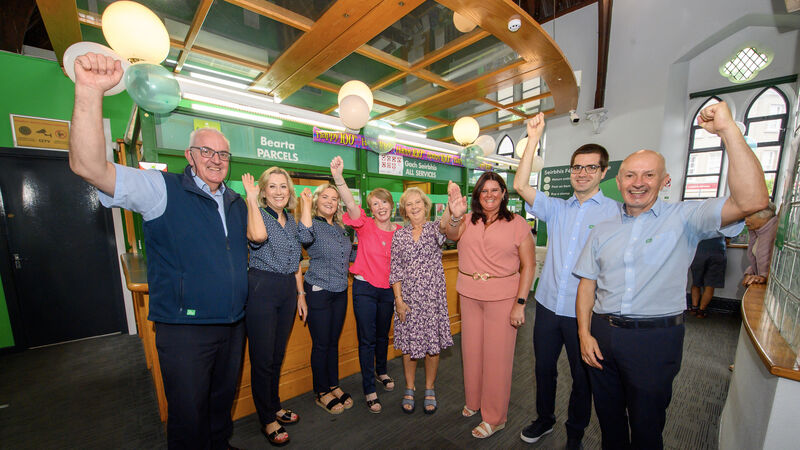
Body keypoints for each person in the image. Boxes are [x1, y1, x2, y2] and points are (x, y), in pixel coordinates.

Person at [68, 53, 248, 449]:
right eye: (206, 152)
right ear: (189, 156)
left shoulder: (235, 201)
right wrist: (89, 90)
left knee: (221, 406)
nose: (215, 160)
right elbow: (89, 166)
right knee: (188, 414)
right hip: (185, 330)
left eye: (223, 155)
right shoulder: (161, 190)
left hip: (233, 325)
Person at [574, 101, 768, 449]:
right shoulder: (601, 230)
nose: (638, 183)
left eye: (649, 175)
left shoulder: (685, 218)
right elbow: (587, 283)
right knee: (609, 423)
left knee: (648, 428)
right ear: (618, 181)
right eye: (630, 175)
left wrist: (728, 131)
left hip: (655, 340)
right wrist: (584, 334)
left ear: (665, 181)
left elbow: (753, 200)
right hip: (602, 335)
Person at [512, 113, 621, 449]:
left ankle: (575, 433)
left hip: (584, 313)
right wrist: (533, 138)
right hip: (547, 306)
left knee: (583, 378)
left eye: (590, 167)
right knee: (543, 369)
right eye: (577, 167)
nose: (582, 173)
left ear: (603, 172)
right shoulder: (558, 208)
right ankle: (545, 419)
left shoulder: (616, 213)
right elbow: (520, 185)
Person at [443, 173, 536, 439]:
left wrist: (520, 303)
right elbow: (449, 234)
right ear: (477, 195)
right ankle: (474, 402)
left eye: (495, 190)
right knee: (471, 353)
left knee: (497, 359)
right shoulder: (469, 219)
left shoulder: (518, 224)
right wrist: (454, 212)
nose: (489, 195)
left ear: (504, 193)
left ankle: (495, 417)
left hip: (503, 297)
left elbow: (528, 265)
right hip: (469, 294)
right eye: (484, 191)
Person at [241, 167, 307, 446]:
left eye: (283, 187)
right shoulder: (258, 214)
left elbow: (298, 258)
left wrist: (300, 294)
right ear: (264, 190)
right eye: (273, 187)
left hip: (286, 290)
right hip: (261, 289)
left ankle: (275, 406)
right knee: (262, 360)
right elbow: (256, 237)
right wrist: (250, 198)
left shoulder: (290, 221)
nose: (279, 192)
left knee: (277, 356)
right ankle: (267, 419)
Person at [330, 156, 398, 413]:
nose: (380, 207)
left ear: (391, 205)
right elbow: (349, 202)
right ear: (370, 208)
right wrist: (339, 178)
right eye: (374, 204)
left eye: (383, 202)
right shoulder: (365, 225)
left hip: (389, 290)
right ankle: (369, 388)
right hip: (365, 289)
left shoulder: (399, 232)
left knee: (383, 335)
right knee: (367, 338)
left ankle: (382, 371)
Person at [390, 187, 453, 415]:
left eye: (418, 202)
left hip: (432, 299)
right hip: (407, 300)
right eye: (409, 204)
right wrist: (398, 300)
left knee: (431, 347)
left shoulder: (435, 229)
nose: (414, 207)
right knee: (409, 346)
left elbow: (446, 225)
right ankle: (409, 387)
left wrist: (450, 204)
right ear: (404, 210)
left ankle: (429, 388)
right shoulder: (399, 235)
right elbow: (395, 269)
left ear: (426, 206)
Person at [297, 183, 354, 415]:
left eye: (334, 198)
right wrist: (306, 206)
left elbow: (349, 254)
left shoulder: (340, 227)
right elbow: (303, 236)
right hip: (318, 290)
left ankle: (333, 385)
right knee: (321, 344)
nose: (330, 202)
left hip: (340, 290)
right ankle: (321, 392)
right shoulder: (313, 225)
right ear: (317, 201)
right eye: (325, 198)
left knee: (332, 342)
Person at [689, 237, 727, 318]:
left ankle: (694, 308)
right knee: (710, 284)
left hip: (698, 251)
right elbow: (729, 239)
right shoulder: (722, 224)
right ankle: (701, 311)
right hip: (718, 251)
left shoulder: (699, 224)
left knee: (696, 282)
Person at [742, 203, 778, 287]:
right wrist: (749, 273)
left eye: (749, 217)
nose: (746, 221)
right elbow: (758, 260)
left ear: (764, 216)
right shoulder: (757, 233)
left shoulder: (776, 232)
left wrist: (764, 276)